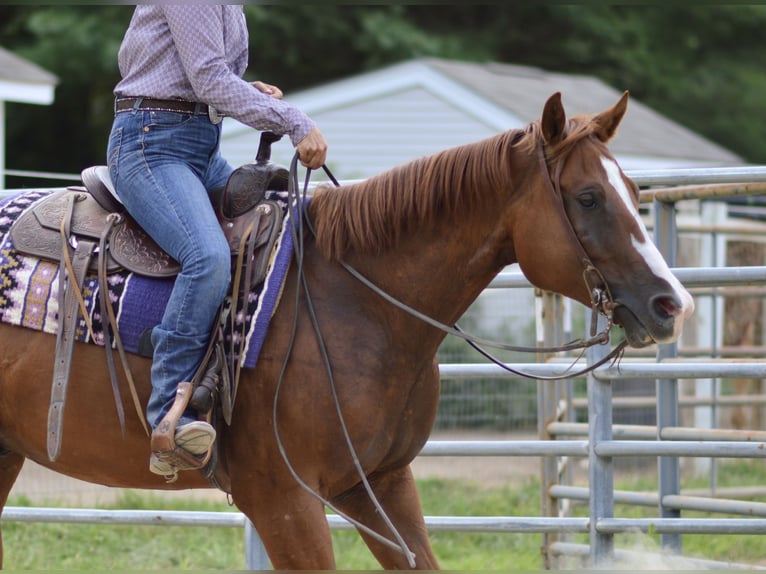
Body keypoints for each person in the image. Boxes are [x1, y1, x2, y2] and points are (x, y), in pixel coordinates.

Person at [106, 5, 328, 478]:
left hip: (201, 148)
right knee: (206, 258)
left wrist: (248, 91)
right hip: (149, 145)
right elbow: (207, 79)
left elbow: (200, 77)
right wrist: (291, 119)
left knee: (280, 223)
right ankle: (169, 415)